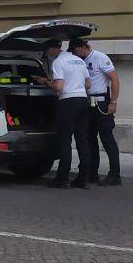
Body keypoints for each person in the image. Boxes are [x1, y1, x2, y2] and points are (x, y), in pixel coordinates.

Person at [48, 38, 93, 189]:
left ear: (53, 49)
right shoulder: (79, 61)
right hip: (82, 100)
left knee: (65, 140)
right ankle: (83, 178)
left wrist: (47, 82)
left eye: (47, 51)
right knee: (82, 139)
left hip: (67, 101)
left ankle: (62, 178)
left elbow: (59, 87)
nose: (47, 54)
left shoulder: (58, 62)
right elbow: (88, 84)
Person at [81, 38, 122, 186]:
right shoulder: (81, 60)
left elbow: (114, 79)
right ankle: (92, 173)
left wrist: (113, 101)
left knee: (107, 138)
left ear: (83, 47)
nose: (76, 54)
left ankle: (115, 174)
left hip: (101, 102)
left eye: (77, 50)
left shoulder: (100, 57)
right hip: (88, 102)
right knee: (89, 138)